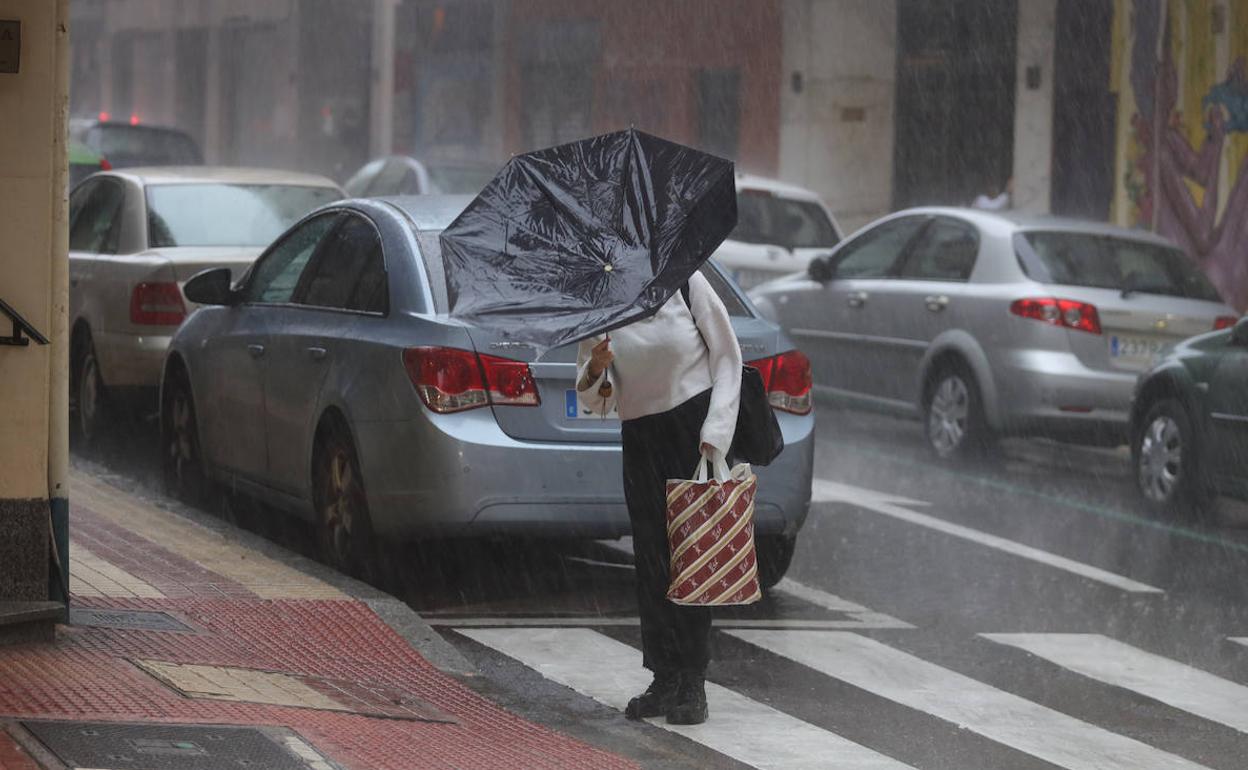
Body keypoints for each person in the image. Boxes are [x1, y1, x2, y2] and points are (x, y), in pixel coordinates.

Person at [576, 270, 742, 725]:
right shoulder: (602, 302)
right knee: (652, 557)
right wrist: (596, 365)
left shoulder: (686, 281)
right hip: (641, 435)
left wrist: (716, 431)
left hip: (691, 429)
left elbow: (728, 357)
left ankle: (693, 681)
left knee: (692, 554)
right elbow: (596, 398)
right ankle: (664, 677)